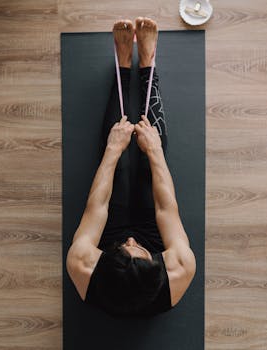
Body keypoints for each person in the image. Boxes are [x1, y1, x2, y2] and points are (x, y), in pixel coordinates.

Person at [66, 17, 196, 318]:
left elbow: (95, 208)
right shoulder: (178, 269)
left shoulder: (83, 265)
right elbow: (167, 209)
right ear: (155, 262)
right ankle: (147, 63)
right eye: (137, 248)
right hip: (149, 248)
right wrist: (154, 151)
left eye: (127, 246)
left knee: (119, 169)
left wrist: (114, 149)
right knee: (149, 170)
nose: (131, 239)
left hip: (112, 246)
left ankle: (123, 66)